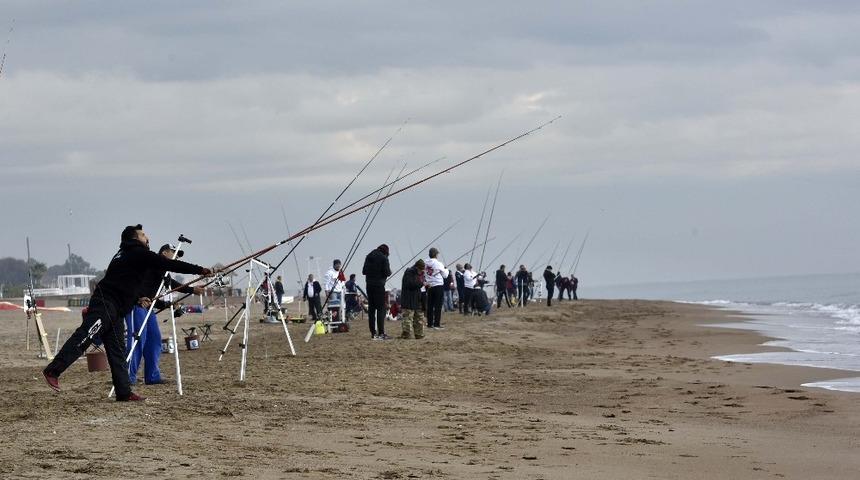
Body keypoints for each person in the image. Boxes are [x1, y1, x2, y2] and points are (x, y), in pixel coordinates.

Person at [42, 224, 212, 401]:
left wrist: (138, 298)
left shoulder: (127, 254)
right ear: (134, 238)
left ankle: (124, 392)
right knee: (86, 334)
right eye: (143, 235)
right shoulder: (137, 252)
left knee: (117, 350)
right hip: (105, 303)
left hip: (118, 307)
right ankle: (53, 370)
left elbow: (126, 282)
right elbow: (170, 264)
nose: (147, 238)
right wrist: (200, 270)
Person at [125, 244, 204, 386]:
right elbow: (171, 284)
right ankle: (127, 377)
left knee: (154, 340)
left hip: (149, 308)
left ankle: (152, 377)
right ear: (164, 253)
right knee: (138, 340)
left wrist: (169, 304)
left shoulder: (163, 272)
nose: (176, 257)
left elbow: (160, 292)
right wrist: (192, 290)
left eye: (177, 255)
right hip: (136, 306)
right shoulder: (152, 263)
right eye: (174, 253)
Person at [362, 244, 392, 340]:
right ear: (385, 252)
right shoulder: (384, 258)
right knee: (381, 309)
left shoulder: (369, 256)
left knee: (371, 309)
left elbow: (364, 271)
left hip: (369, 286)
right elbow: (388, 272)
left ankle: (373, 333)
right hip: (379, 286)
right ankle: (381, 333)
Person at [400, 259, 426, 339]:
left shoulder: (419, 274)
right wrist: (422, 283)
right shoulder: (409, 273)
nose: (421, 272)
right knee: (408, 318)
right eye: (421, 270)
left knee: (419, 318)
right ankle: (406, 335)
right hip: (408, 299)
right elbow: (411, 284)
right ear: (417, 267)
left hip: (417, 299)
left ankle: (419, 334)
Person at [424, 247, 449, 330]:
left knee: (430, 305)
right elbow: (445, 275)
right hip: (438, 285)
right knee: (438, 305)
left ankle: (429, 324)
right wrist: (446, 269)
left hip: (429, 286)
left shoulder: (425, 263)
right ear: (436, 254)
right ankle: (436, 324)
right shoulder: (438, 263)